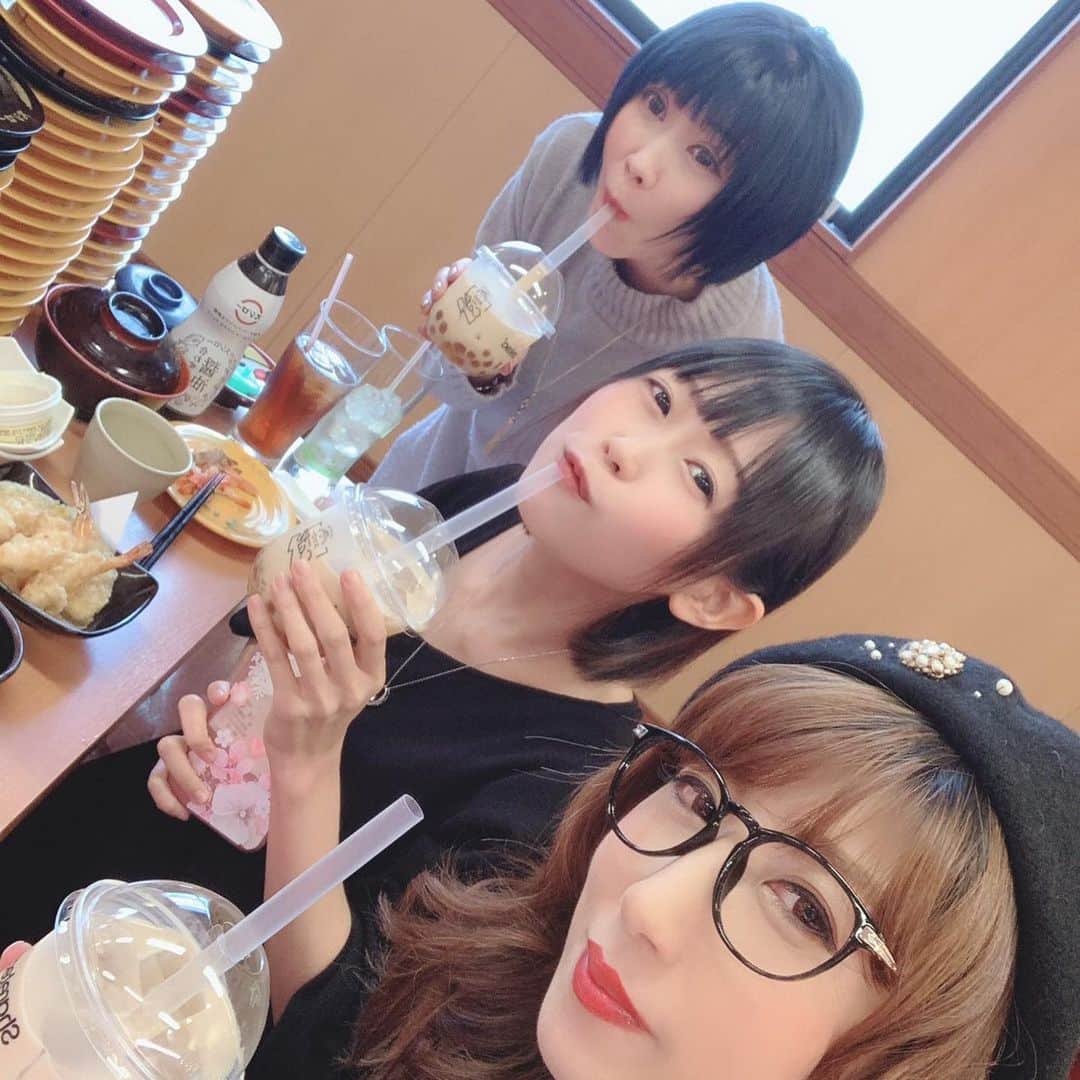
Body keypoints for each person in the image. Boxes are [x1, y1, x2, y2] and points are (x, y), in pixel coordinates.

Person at [0, 341, 884, 975]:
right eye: (657, 400)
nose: (624, 446)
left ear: (714, 599)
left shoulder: (567, 786)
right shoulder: (492, 510)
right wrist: (207, 730)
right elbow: (255, 661)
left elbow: (327, 1016)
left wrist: (307, 765)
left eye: (698, 477)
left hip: (156, 978)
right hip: (101, 822)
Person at [244, 633, 1080, 1080]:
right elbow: (327, 1037)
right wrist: (298, 766)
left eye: (804, 908)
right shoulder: (490, 992)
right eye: (698, 800)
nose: (646, 904)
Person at [373, 2, 863, 492]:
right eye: (655, 105)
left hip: (528, 534)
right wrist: (473, 358)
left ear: (760, 211)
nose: (640, 162)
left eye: (703, 157)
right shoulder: (566, 159)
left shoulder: (738, 349)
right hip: (416, 481)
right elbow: (442, 383)